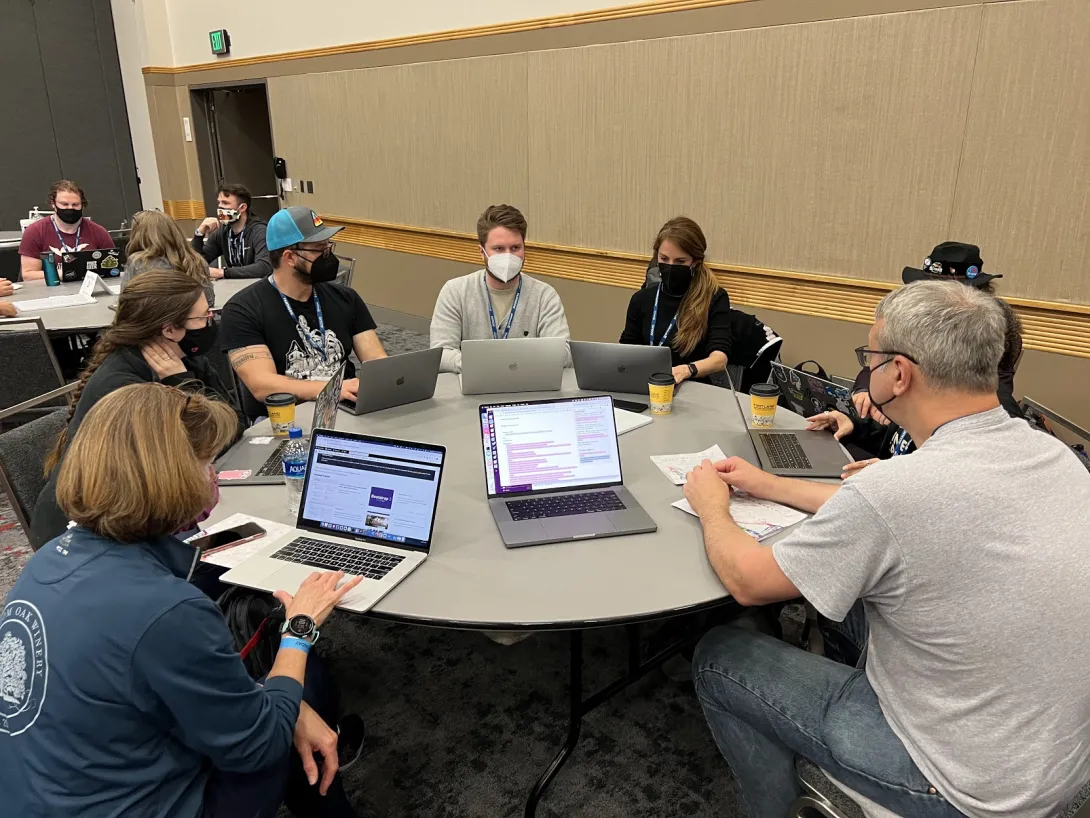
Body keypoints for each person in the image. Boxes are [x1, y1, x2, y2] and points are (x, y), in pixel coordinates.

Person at [681, 281, 1090, 818]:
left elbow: (749, 580)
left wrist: (712, 505)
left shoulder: (898, 490)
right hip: (1056, 765)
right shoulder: (1049, 453)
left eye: (869, 356)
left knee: (719, 657)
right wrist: (769, 484)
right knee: (851, 593)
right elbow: (885, 516)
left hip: (961, 788)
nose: (867, 369)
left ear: (899, 373)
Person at [1, 383, 363, 818]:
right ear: (169, 478)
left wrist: (273, 700)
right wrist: (299, 629)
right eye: (208, 463)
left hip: (42, 791)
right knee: (296, 712)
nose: (214, 477)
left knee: (285, 700)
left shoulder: (45, 563)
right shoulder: (165, 608)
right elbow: (258, 745)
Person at [30, 271, 241, 547]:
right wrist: (182, 384)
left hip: (135, 512)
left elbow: (234, 424)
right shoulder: (124, 387)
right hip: (89, 532)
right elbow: (205, 445)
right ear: (169, 330)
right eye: (202, 317)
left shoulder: (183, 360)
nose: (209, 322)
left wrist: (183, 378)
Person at [220, 206, 386, 413]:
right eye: (319, 249)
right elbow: (262, 385)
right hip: (285, 417)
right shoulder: (242, 310)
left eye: (329, 247)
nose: (328, 256)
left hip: (345, 407)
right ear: (290, 257)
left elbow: (377, 363)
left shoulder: (346, 298)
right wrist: (332, 389)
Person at [852, 241, 1023, 421]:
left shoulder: (991, 331)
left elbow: (992, 395)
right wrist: (866, 392)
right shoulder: (919, 319)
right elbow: (882, 358)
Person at [430, 204, 570, 374]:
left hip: (528, 387)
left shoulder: (544, 296)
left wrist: (509, 364)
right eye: (499, 249)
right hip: (473, 389)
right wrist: (488, 365)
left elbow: (564, 354)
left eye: (515, 248)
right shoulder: (455, 292)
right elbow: (440, 355)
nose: (508, 256)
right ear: (482, 252)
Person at [620, 216, 731, 384]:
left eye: (680, 261)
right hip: (646, 385)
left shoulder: (714, 297)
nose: (670, 266)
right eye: (664, 259)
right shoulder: (642, 299)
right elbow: (625, 350)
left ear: (696, 262)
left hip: (690, 388)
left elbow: (719, 359)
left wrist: (687, 370)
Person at [18, 180, 115, 281]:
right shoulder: (35, 231)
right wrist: (63, 273)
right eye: (64, 204)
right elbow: (28, 275)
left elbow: (112, 268)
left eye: (75, 205)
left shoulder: (98, 231)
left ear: (82, 205)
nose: (70, 208)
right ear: (53, 204)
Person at [125, 209, 216, 306]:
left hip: (157, 320)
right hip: (194, 319)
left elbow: (126, 304)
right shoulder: (196, 260)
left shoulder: (138, 262)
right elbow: (209, 301)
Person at [192, 181, 272, 280]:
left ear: (242, 208)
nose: (220, 207)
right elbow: (196, 263)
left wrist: (223, 272)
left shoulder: (259, 231)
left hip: (258, 286)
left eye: (225, 203)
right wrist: (200, 233)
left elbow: (264, 267)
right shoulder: (223, 232)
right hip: (233, 286)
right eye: (219, 202)